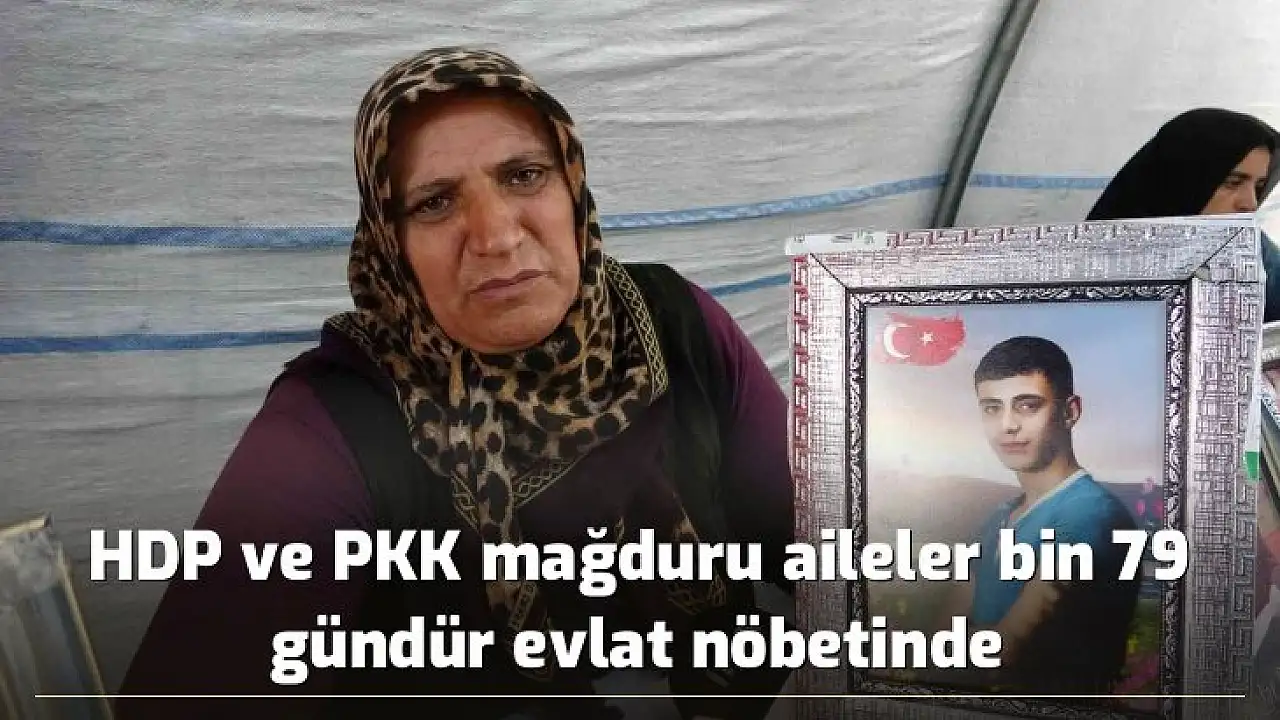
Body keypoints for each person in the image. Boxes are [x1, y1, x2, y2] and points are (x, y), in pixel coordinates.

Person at [116, 46, 794, 720]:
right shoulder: (338, 420)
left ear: (572, 186)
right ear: (391, 243)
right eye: (435, 202)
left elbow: (829, 550)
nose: (496, 236)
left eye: (524, 175)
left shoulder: (675, 325)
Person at [944, 336, 1141, 694]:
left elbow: (1004, 654)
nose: (1007, 425)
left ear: (1070, 412)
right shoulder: (1000, 517)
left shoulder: (1090, 515)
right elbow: (947, 633)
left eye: (1027, 405)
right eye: (992, 408)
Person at [1086, 107, 1280, 321]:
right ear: (1184, 181)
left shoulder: (1256, 252)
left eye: (1259, 187)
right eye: (1233, 183)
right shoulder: (1091, 261)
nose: (1250, 203)